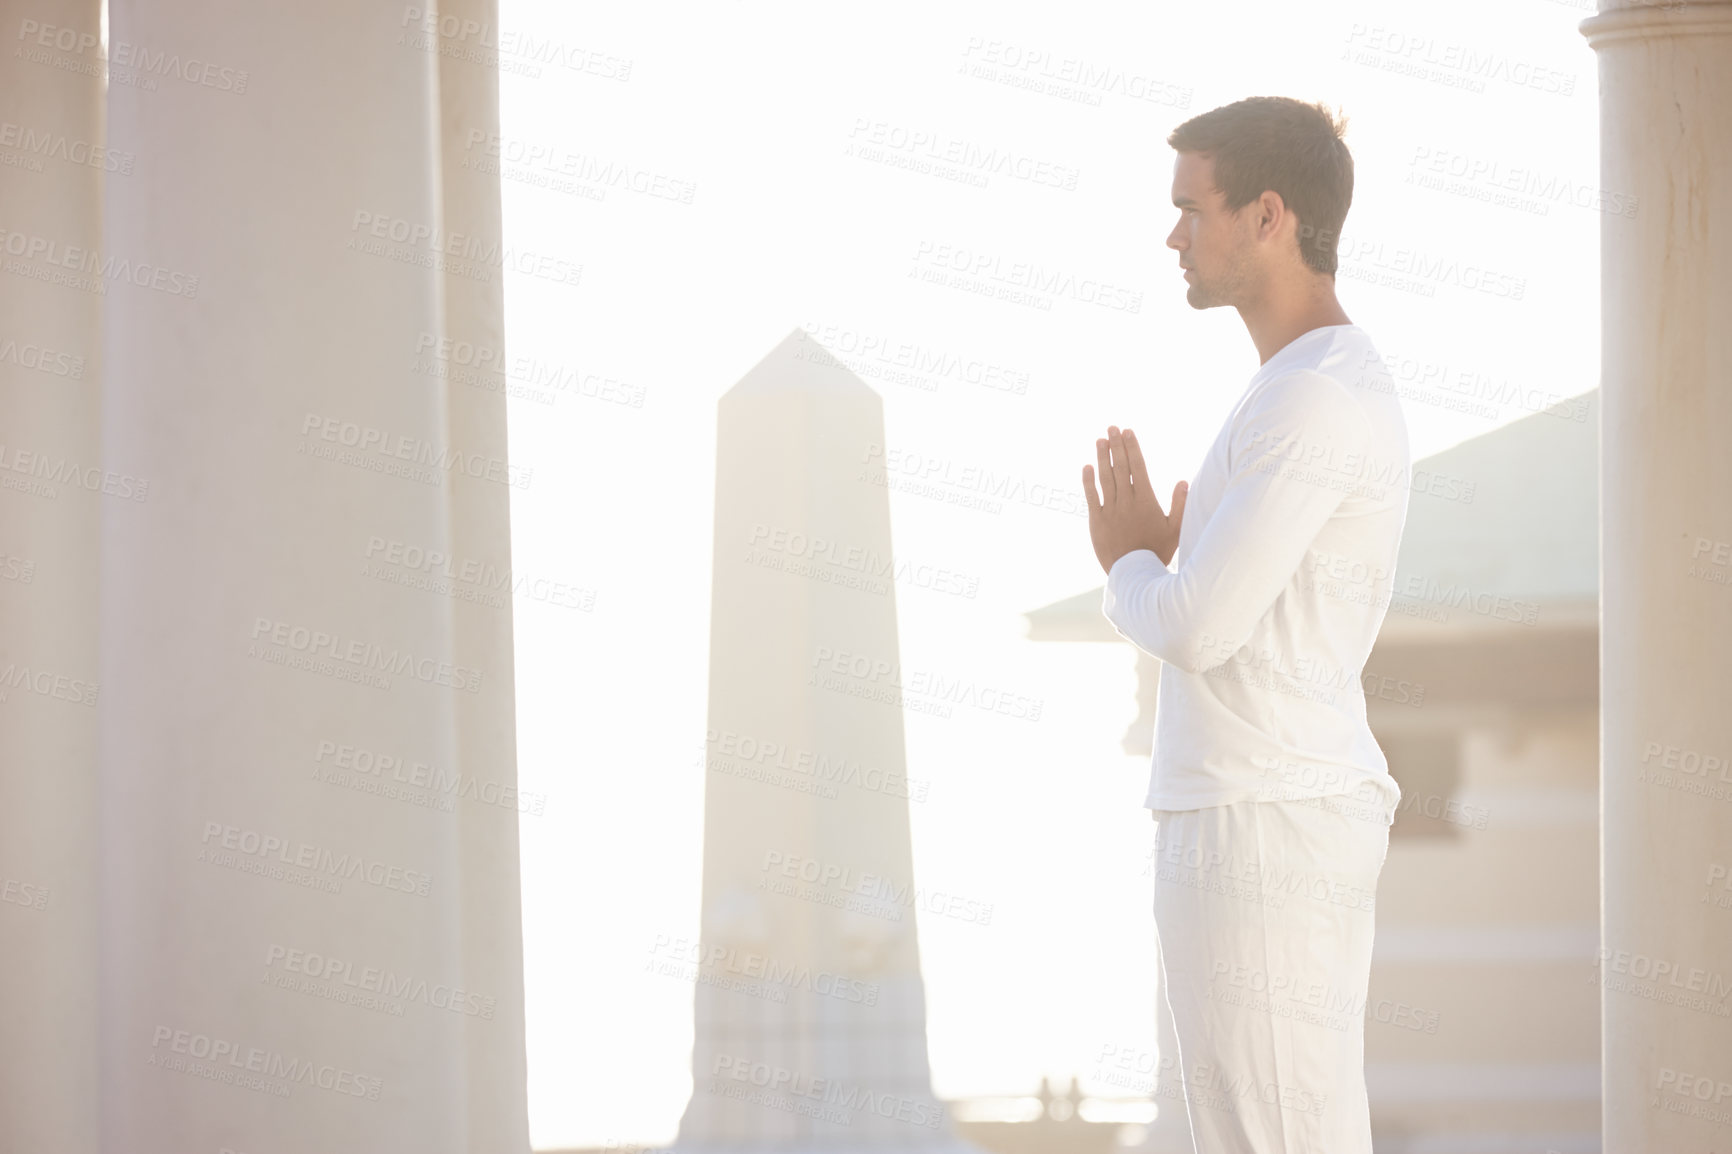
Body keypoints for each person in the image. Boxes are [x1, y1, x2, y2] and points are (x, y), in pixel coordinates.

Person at [1082, 96, 1409, 1154]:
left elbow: (1198, 625)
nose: (1172, 234)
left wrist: (1129, 557)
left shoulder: (1310, 396)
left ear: (1268, 215)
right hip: (1252, 809)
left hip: (1263, 818)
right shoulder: (1294, 387)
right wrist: (1159, 565)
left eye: (1191, 207)